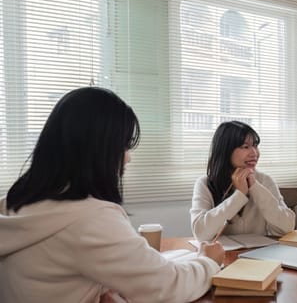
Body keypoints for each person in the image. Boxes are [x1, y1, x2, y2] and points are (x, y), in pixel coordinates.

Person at [0, 87, 224, 303]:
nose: (128, 158)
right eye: (124, 146)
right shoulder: (90, 218)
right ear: (99, 150)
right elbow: (167, 286)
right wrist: (208, 261)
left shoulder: (17, 200)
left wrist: (98, 290)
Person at [190, 120, 296, 242]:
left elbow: (287, 227)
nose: (254, 153)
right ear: (226, 150)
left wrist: (254, 187)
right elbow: (200, 234)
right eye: (245, 147)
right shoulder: (204, 184)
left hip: (260, 256)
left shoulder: (265, 180)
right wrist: (239, 195)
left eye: (255, 146)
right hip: (221, 257)